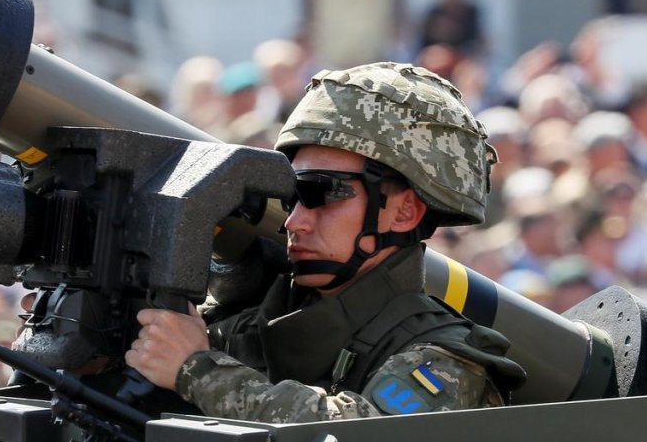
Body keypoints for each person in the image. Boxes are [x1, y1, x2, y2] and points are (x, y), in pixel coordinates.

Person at [124, 62, 526, 423]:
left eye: (324, 194)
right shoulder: (256, 321)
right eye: (292, 197)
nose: (295, 221)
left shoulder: (446, 360)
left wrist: (198, 369)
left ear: (404, 212)